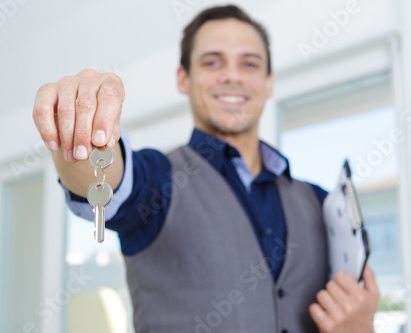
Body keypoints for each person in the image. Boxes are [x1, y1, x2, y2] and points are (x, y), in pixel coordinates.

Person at [33, 5, 380, 333]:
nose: (231, 76)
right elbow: (109, 183)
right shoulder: (159, 179)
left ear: (269, 81)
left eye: (249, 64)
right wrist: (84, 134)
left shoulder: (320, 201)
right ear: (183, 78)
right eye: (213, 62)